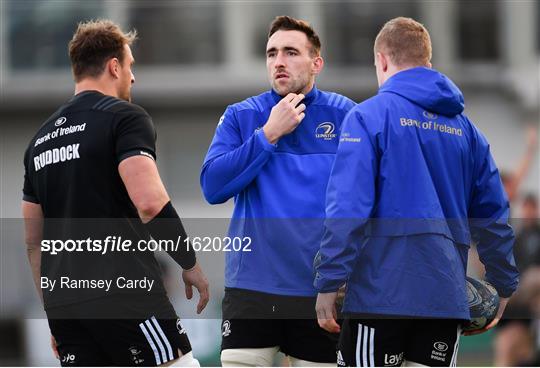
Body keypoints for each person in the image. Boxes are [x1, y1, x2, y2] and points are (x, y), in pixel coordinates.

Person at [314, 17, 519, 367]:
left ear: (381, 60)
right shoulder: (468, 132)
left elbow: (348, 209)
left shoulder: (367, 117)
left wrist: (328, 281)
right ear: (428, 61)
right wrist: (503, 284)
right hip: (444, 299)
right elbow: (493, 217)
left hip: (379, 297)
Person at [22, 19, 208, 367]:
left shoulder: (39, 141)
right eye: (131, 66)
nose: (133, 77)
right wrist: (189, 263)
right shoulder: (124, 118)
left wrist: (54, 311)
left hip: (66, 307)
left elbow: (34, 241)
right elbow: (150, 203)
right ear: (114, 66)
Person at [201, 15, 355, 367]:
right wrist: (268, 135)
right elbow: (212, 186)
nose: (278, 61)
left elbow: (366, 201)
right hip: (252, 290)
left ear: (317, 63)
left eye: (290, 52)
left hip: (321, 292)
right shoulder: (242, 115)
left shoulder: (348, 116)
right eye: (271, 54)